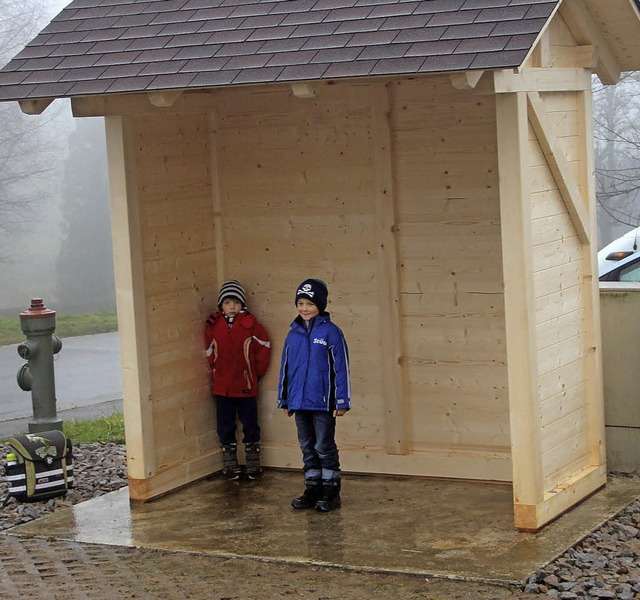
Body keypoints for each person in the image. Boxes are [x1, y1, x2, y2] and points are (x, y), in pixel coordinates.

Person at [278, 278, 351, 512]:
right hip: (299, 402)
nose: (304, 308)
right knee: (307, 446)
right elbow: (286, 367)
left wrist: (342, 400)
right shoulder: (293, 335)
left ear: (320, 305)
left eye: (309, 303)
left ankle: (331, 491)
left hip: (322, 403)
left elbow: (341, 368)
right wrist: (285, 398)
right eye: (300, 303)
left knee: (324, 445)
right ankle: (312, 488)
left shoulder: (331, 333)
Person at [204, 280, 271, 480]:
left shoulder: (251, 325)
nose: (232, 307)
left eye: (235, 302)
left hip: (245, 386)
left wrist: (255, 373)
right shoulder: (214, 325)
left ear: (242, 304)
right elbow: (208, 349)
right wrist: (214, 368)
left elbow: (264, 347)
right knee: (225, 424)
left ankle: (252, 463)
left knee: (250, 423)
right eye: (227, 302)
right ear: (221, 305)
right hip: (222, 386)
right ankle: (230, 463)